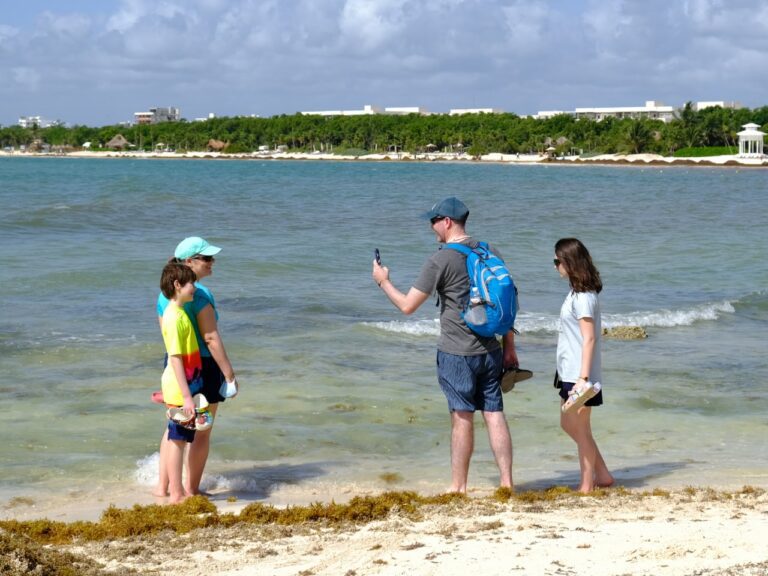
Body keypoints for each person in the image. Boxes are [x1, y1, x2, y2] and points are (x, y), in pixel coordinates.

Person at [372, 197, 518, 493]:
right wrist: (510, 347)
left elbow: (408, 306)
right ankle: (506, 483)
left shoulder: (440, 259)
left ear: (447, 222)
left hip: (456, 351)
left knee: (461, 417)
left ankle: (458, 487)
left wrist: (383, 281)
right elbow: (508, 302)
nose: (431, 227)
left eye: (433, 221)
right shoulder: (489, 250)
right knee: (494, 414)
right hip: (491, 349)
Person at [154, 236, 238, 498]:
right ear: (189, 262)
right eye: (207, 258)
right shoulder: (200, 294)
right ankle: (191, 490)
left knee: (175, 428)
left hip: (174, 364)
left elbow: (167, 338)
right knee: (201, 430)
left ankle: (163, 487)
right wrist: (229, 374)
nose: (213, 263)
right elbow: (211, 338)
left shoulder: (163, 295)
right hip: (201, 366)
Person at [553, 237, 614, 493]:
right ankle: (602, 474)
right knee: (570, 424)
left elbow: (589, 338)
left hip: (580, 373)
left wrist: (583, 377)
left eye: (557, 260)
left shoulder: (584, 297)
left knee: (579, 426)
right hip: (569, 370)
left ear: (569, 262)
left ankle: (588, 484)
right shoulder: (576, 293)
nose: (555, 265)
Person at [158, 262, 203, 504]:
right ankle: (176, 493)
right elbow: (174, 358)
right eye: (191, 283)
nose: (194, 287)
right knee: (177, 440)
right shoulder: (174, 317)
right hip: (179, 388)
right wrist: (185, 397)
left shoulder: (181, 312)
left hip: (183, 386)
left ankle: (176, 490)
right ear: (177, 285)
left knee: (183, 437)